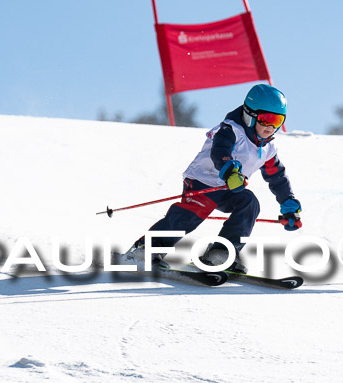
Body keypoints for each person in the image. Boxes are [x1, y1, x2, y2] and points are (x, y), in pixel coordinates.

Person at [127, 84, 302, 274]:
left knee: (249, 203)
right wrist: (229, 171)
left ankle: (220, 253)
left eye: (277, 120)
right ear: (250, 115)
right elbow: (220, 151)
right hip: (203, 182)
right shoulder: (231, 130)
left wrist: (288, 204)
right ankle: (146, 249)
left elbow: (277, 177)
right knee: (192, 215)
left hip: (229, 189)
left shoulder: (268, 148)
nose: (271, 127)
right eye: (267, 119)